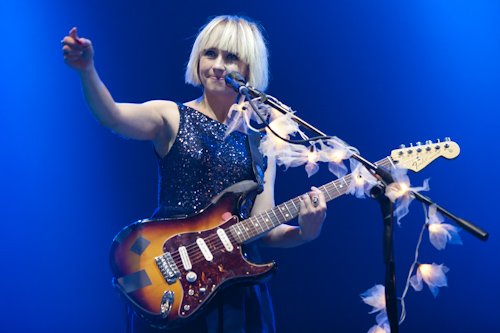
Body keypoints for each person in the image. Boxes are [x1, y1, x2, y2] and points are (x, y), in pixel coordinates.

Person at [62, 15, 327, 333]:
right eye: (210, 53)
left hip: (235, 294)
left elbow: (262, 227)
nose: (217, 65)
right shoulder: (171, 115)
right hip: (170, 280)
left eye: (231, 57)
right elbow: (114, 116)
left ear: (248, 69)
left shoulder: (262, 141)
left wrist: (305, 232)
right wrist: (87, 71)